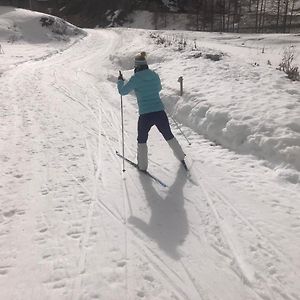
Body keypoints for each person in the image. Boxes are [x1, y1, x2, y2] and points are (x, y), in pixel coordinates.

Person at [117, 51, 186, 171]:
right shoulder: (154, 75)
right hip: (159, 111)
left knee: (142, 139)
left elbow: (122, 92)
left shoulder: (135, 78)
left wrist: (120, 81)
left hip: (145, 115)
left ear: (137, 66)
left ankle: (143, 166)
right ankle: (181, 156)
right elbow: (159, 88)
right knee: (168, 135)